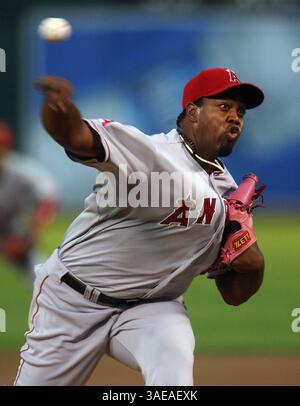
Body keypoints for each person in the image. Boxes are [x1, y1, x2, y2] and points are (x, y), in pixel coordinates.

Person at [15, 67, 265, 386]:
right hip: (72, 300)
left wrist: (253, 266)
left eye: (241, 111)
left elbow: (233, 294)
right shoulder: (151, 155)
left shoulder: (229, 195)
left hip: (152, 309)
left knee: (173, 371)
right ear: (193, 112)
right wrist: (58, 109)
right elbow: (76, 136)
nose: (236, 117)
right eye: (224, 106)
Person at [0, 121, 60, 278]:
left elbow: (49, 199)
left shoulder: (22, 171)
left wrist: (29, 236)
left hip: (11, 228)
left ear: (6, 148)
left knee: (39, 276)